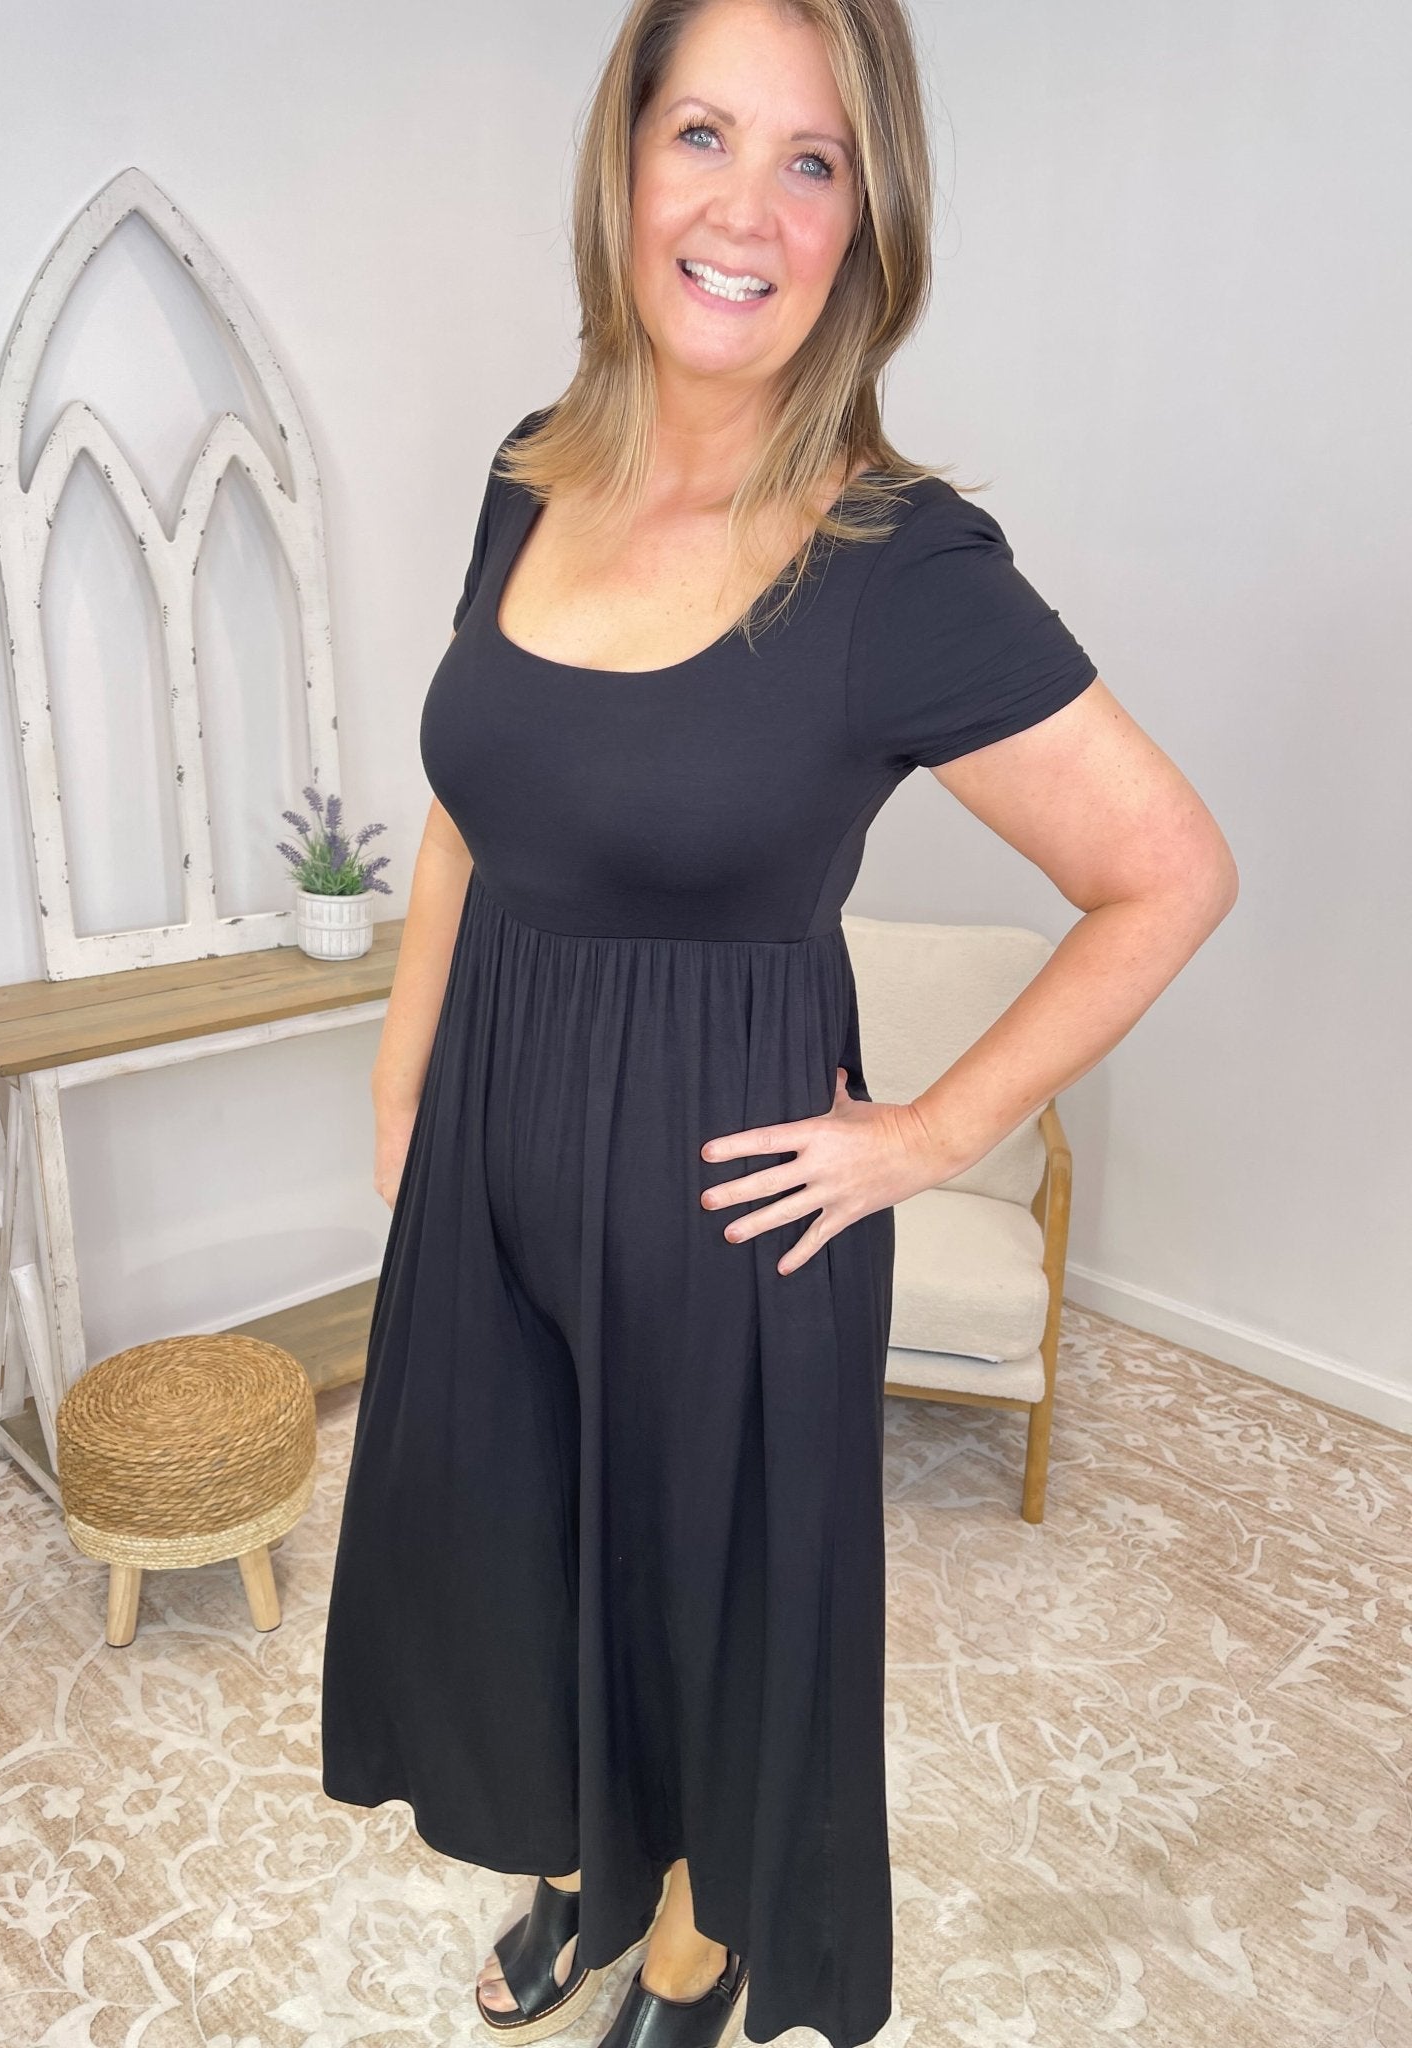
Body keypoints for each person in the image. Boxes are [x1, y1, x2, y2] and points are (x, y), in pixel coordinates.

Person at [319, 0, 1238, 2043]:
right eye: (702, 136)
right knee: (530, 1561)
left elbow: (1167, 868)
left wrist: (925, 1133)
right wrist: (406, 1071)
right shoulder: (526, 474)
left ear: (865, 216)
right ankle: (585, 1860)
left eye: (810, 158)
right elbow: (476, 798)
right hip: (490, 1161)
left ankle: (699, 1934)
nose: (744, 205)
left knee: (701, 1608)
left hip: (727, 1209)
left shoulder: (896, 564)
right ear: (624, 166)